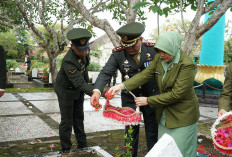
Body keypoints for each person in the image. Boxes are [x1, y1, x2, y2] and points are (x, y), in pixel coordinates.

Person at [108, 31, 200, 157]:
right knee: (165, 151)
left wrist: (148, 100)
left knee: (181, 151)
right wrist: (122, 86)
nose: (161, 55)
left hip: (183, 116)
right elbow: (145, 75)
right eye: (159, 51)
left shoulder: (187, 65)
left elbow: (176, 95)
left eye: (165, 51)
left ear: (173, 47)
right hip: (165, 115)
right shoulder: (159, 58)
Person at [90, 22, 159, 157]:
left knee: (153, 132)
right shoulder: (119, 53)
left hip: (150, 97)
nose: (130, 49)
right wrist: (96, 91)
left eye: (133, 45)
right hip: (130, 99)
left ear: (141, 40)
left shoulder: (153, 50)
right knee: (130, 133)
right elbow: (106, 72)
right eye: (126, 46)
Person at [54, 28, 94, 153]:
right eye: (80, 50)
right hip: (65, 91)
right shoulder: (68, 61)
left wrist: (91, 86)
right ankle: (65, 149)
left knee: (79, 119)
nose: (84, 52)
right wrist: (97, 92)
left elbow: (84, 71)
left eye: (86, 49)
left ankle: (83, 146)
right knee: (67, 122)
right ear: (72, 46)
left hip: (78, 91)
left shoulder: (85, 53)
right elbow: (79, 83)